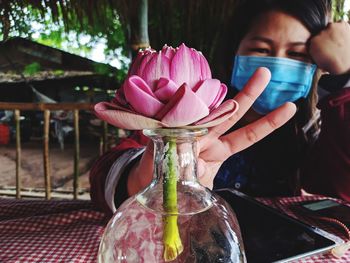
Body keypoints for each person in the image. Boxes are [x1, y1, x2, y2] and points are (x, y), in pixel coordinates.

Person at [90, 0, 350, 215]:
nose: (274, 67)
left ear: (314, 67)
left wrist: (346, 81)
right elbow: (107, 173)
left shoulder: (314, 128)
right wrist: (143, 179)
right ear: (233, 52)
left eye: (296, 55)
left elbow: (337, 193)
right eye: (261, 49)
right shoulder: (187, 114)